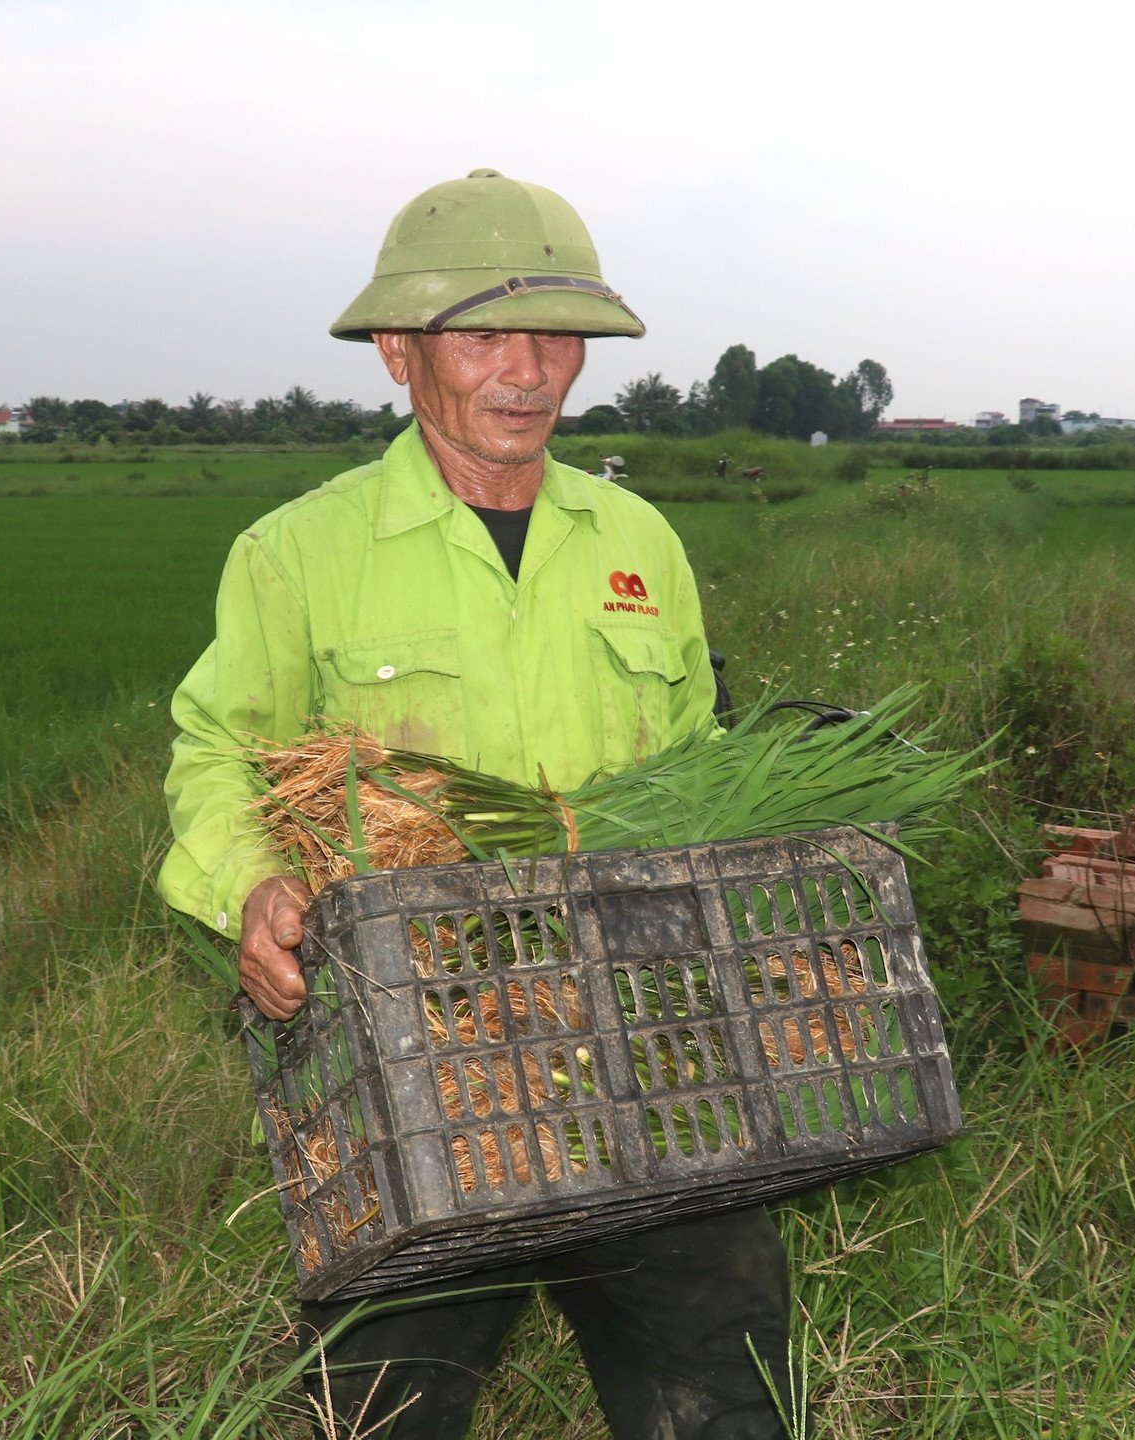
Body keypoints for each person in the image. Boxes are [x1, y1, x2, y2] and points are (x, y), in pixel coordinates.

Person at [159, 168, 797, 1438]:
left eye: (557, 335)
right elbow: (215, 749)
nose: (531, 371)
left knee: (724, 1395)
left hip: (647, 1050)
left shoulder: (637, 544)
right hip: (418, 1072)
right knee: (386, 1412)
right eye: (487, 335)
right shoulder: (301, 553)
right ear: (400, 353)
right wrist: (253, 887)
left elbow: (693, 764)